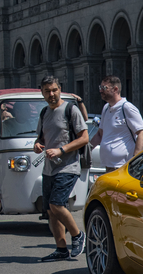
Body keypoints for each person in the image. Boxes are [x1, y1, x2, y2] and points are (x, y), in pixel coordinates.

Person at [33, 76, 88, 262]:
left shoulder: (70, 110)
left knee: (57, 204)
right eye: (47, 91)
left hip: (68, 166)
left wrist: (61, 150)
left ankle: (78, 235)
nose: (51, 94)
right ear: (42, 92)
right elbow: (40, 138)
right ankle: (61, 248)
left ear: (60, 89)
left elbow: (84, 138)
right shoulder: (44, 113)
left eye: (54, 90)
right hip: (49, 168)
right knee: (51, 210)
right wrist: (38, 144)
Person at [91, 75, 143, 172]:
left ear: (115, 89)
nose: (101, 91)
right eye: (100, 88)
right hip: (108, 165)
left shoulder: (127, 108)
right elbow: (100, 134)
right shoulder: (106, 108)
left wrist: (135, 159)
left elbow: (141, 133)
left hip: (123, 166)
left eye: (104, 88)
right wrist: (85, 150)